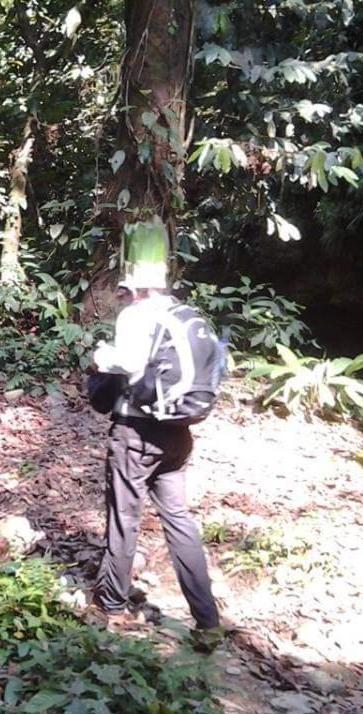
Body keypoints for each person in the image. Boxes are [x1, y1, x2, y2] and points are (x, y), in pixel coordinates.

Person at [91, 217, 223, 650]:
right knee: (179, 520)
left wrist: (100, 359)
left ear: (130, 279)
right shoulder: (185, 314)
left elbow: (125, 366)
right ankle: (207, 621)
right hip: (178, 434)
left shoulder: (135, 315)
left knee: (124, 519)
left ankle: (110, 607)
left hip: (136, 433)